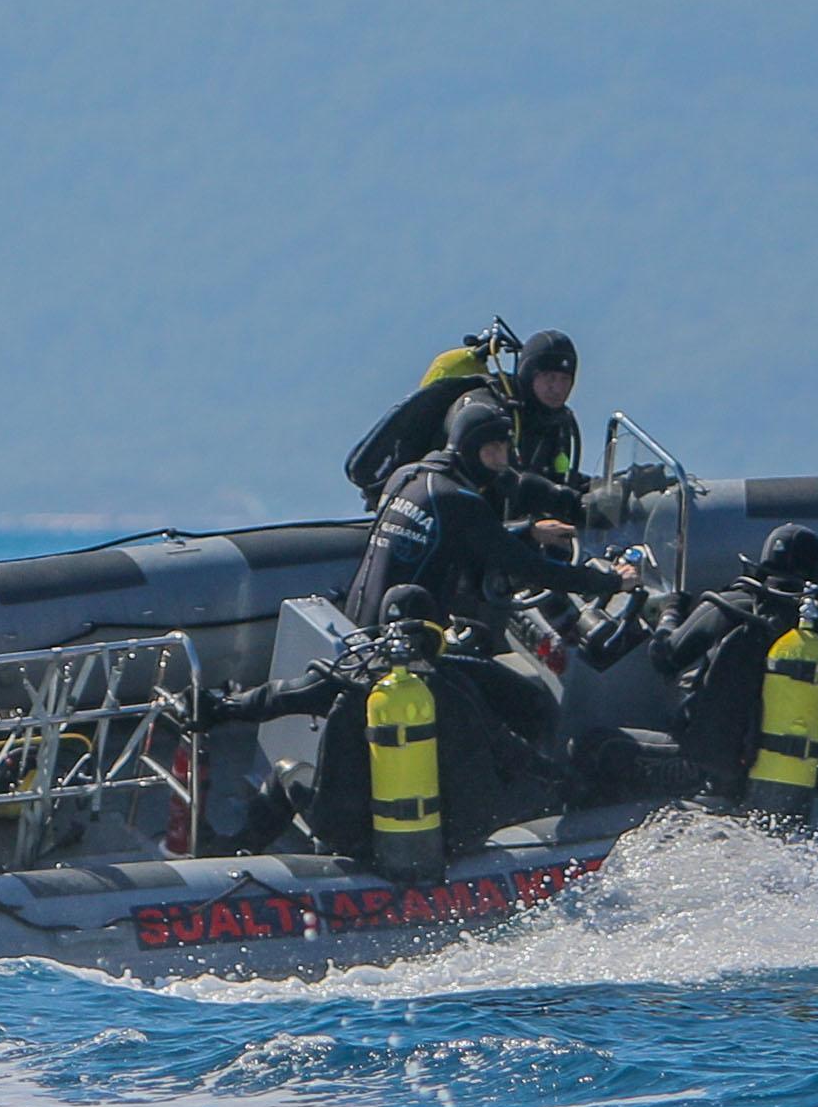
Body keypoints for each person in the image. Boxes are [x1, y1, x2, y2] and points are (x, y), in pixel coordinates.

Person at [193, 587, 555, 879]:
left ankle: (232, 857)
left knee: (287, 771)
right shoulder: (466, 677)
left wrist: (216, 707)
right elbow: (531, 717)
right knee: (526, 775)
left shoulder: (347, 677)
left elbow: (275, 697)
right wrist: (570, 784)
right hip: (464, 834)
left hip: (349, 837)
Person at [653, 523, 818, 820]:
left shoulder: (726, 607)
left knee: (602, 747)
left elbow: (663, 656)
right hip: (784, 789)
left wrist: (670, 610)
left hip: (705, 775)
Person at [348, 390, 636, 647]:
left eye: (504, 449)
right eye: (492, 450)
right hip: (406, 644)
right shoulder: (459, 500)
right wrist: (609, 581)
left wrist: (530, 531)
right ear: (471, 448)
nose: (501, 461)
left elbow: (462, 535)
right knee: (528, 700)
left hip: (359, 624)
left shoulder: (408, 476)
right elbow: (530, 568)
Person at [340, 326, 601, 532]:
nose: (557, 388)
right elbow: (495, 477)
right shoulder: (484, 410)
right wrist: (558, 498)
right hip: (443, 522)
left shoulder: (557, 425)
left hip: (501, 528)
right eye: (548, 378)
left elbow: (555, 474)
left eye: (564, 379)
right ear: (529, 374)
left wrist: (598, 491)